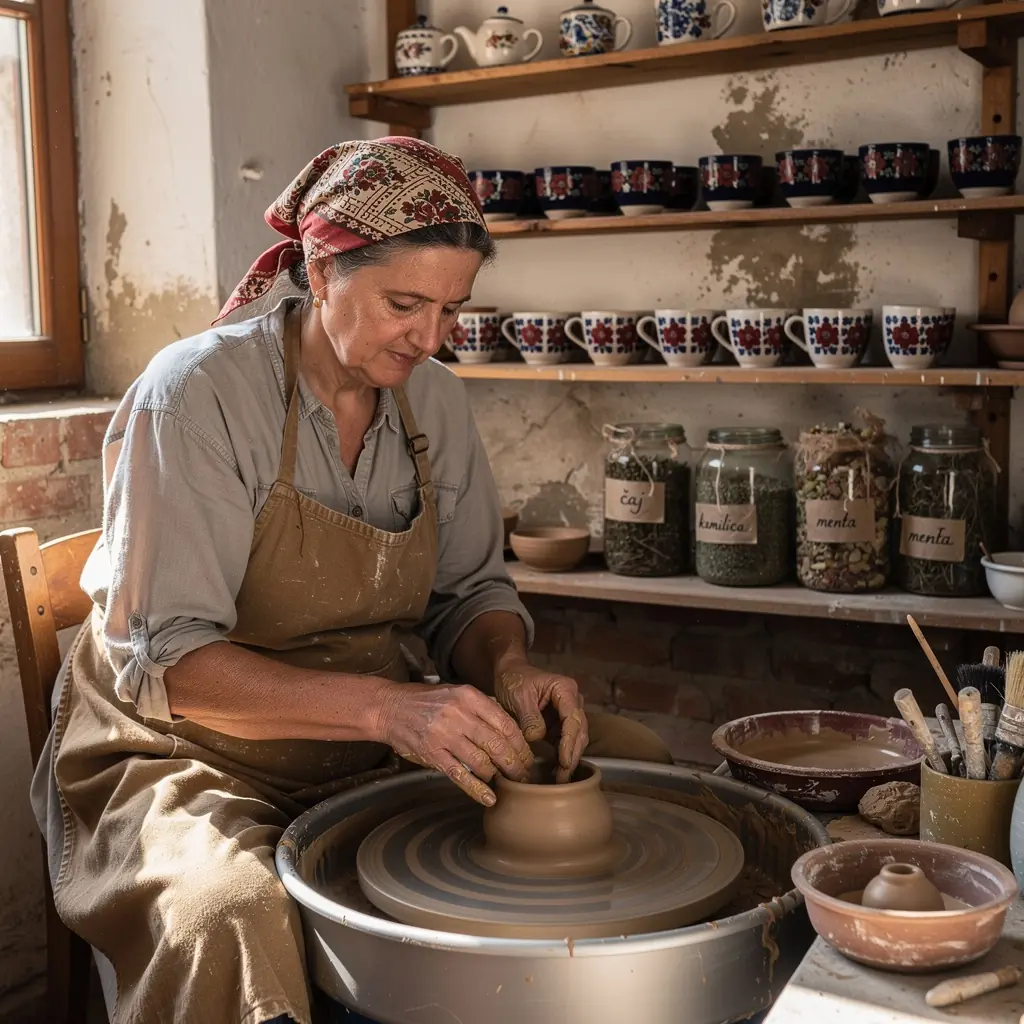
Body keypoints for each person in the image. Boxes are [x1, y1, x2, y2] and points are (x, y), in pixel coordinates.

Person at [31, 137, 673, 1024]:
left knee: (641, 771)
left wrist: (508, 668)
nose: (430, 336)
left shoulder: (435, 401)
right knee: (229, 910)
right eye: (404, 303)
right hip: (182, 753)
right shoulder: (198, 396)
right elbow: (171, 664)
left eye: (451, 309)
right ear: (322, 271)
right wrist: (389, 708)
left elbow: (470, 597)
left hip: (366, 743)